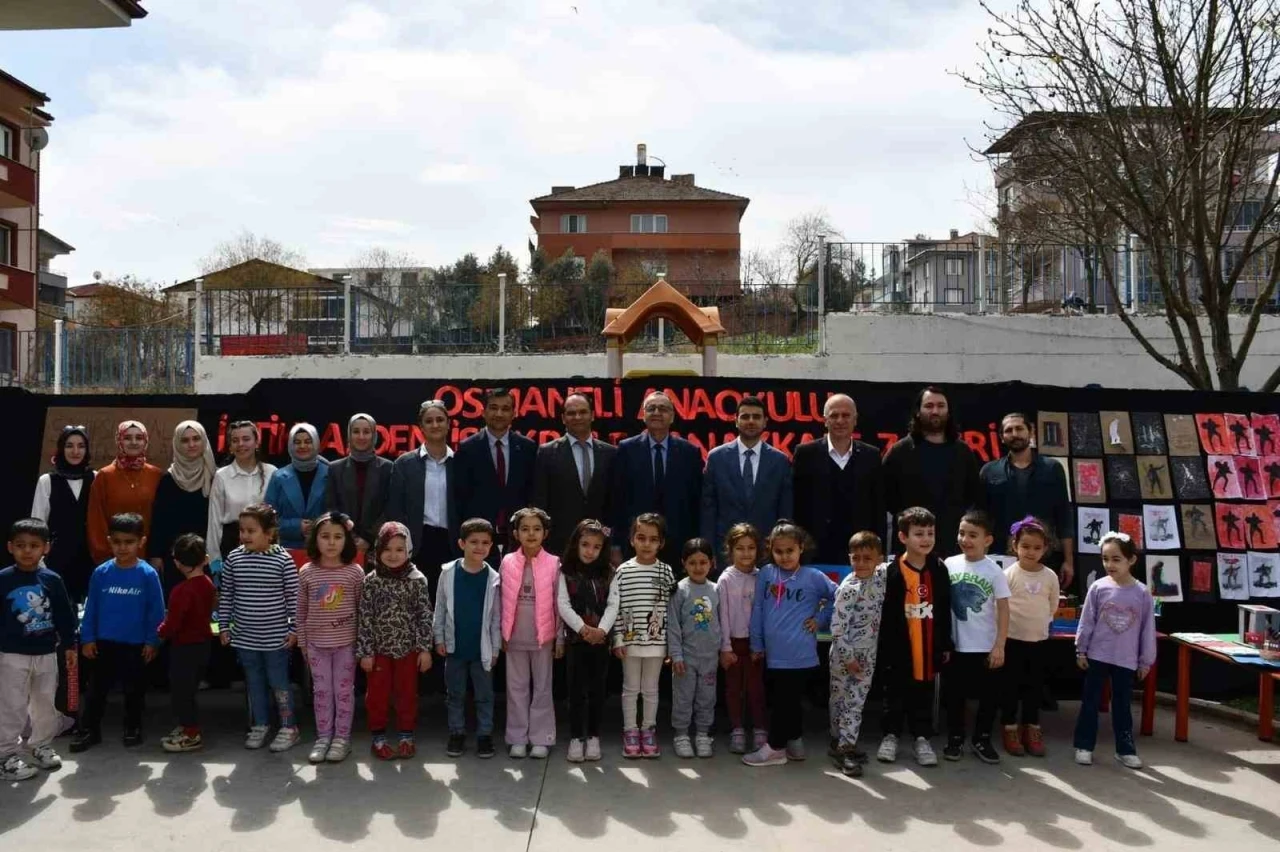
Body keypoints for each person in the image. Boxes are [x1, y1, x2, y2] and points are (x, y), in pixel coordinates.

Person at [742, 521, 837, 767]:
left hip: (800, 652)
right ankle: (795, 742)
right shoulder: (766, 574)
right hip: (773, 653)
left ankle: (775, 748)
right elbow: (759, 609)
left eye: (790, 551)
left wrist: (820, 619)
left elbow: (838, 595)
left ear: (801, 548)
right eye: (778, 551)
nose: (784, 557)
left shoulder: (813, 577)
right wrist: (756, 644)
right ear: (770, 550)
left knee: (785, 702)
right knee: (786, 700)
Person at [71, 512, 165, 753]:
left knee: (134, 691)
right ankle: (89, 730)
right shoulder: (101, 573)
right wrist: (88, 638)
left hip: (135, 645)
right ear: (109, 541)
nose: (123, 548)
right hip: (103, 643)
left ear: (141, 542)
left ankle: (133, 727)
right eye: (117, 542)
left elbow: (156, 612)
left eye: (129, 542)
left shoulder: (148, 574)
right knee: (96, 691)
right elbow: (91, 608)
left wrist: (152, 641)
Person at [217, 503, 299, 754]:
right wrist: (223, 626)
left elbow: (294, 597)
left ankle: (289, 727)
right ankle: (260, 724)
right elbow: (227, 595)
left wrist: (294, 629)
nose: (245, 535)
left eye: (251, 531)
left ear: (269, 533)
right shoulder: (234, 558)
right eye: (242, 530)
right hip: (245, 638)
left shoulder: (283, 559)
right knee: (254, 683)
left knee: (279, 683)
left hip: (276, 639)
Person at [876, 506, 954, 767]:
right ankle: (891, 735)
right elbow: (885, 613)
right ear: (902, 537)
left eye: (930, 533)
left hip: (928, 646)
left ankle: (922, 738)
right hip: (898, 647)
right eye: (919, 533)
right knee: (894, 693)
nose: (926, 539)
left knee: (923, 694)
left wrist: (945, 643)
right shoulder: (891, 570)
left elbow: (944, 609)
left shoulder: (939, 569)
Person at [0, 519, 76, 781]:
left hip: (46, 653)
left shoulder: (52, 579)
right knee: (11, 706)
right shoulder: (3, 579)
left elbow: (65, 615)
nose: (27, 551)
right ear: (10, 547)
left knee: (44, 703)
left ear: (46, 548)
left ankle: (40, 745)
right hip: (11, 655)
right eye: (20, 545)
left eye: (34, 545)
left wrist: (69, 645)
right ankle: (6, 756)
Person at [1073, 531, 1156, 770]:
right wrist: (1081, 650)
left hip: (1126, 659)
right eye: (1105, 559)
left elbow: (1147, 629)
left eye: (1116, 559)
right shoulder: (1098, 587)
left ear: (1131, 560)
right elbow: (1087, 621)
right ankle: (1084, 746)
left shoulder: (1142, 593)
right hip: (1097, 656)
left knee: (1122, 705)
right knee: (1090, 702)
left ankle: (1125, 750)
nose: (1110, 564)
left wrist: (1145, 661)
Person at [357, 522, 434, 761]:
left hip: (408, 650)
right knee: (377, 695)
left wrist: (424, 649)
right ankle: (378, 737)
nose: (393, 555)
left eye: (399, 549)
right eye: (387, 549)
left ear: (408, 550)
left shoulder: (416, 579)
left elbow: (424, 616)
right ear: (378, 549)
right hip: (378, 651)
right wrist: (366, 652)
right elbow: (365, 617)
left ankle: (406, 736)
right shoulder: (371, 580)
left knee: (407, 694)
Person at [942, 510, 1010, 764]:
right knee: (954, 697)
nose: (965, 539)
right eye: (962, 533)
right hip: (955, 646)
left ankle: (982, 738)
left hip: (985, 646)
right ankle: (955, 738)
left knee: (989, 697)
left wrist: (999, 646)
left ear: (987, 540)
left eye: (973, 535)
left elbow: (1004, 610)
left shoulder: (994, 571)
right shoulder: (949, 563)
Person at [883, 387, 984, 557]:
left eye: (941, 406)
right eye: (929, 406)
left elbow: (973, 497)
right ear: (918, 412)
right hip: (910, 549)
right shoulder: (899, 452)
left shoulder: (963, 452)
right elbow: (887, 499)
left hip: (953, 548)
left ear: (948, 412)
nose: (935, 411)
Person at [297, 511, 364, 764]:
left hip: (346, 645)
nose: (332, 542)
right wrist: (303, 643)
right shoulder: (307, 572)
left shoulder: (355, 572)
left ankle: (341, 739)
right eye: (325, 536)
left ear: (346, 540)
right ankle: (323, 737)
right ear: (316, 539)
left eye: (338, 536)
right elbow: (300, 611)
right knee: (322, 692)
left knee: (343, 691)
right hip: (316, 646)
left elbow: (362, 611)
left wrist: (361, 645)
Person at [980, 413, 1075, 589]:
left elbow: (1064, 516)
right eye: (1009, 430)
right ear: (1001, 437)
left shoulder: (1052, 469)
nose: (1014, 434)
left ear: (1031, 432)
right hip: (1001, 557)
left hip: (1042, 555)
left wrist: (1068, 561)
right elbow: (982, 520)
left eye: (1019, 428)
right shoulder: (989, 471)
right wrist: (981, 560)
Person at [435, 518, 502, 760]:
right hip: (455, 648)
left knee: (484, 695)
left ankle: (484, 735)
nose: (479, 547)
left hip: (482, 649)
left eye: (485, 542)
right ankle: (457, 732)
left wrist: (495, 648)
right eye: (474, 542)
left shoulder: (494, 578)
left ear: (491, 545)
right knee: (455, 694)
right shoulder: (448, 573)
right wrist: (439, 637)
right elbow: (440, 608)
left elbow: (496, 618)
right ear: (462, 543)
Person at [612, 392, 704, 569]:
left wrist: (696, 543)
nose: (656, 412)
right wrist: (615, 544)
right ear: (643, 415)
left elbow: (696, 502)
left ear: (672, 417)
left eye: (663, 409)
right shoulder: (626, 449)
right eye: (651, 408)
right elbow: (617, 499)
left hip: (679, 545)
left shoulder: (689, 452)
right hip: (637, 544)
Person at [701, 395, 793, 569]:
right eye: (745, 416)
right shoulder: (716, 458)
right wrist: (708, 551)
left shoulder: (780, 461)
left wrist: (782, 551)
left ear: (765, 422)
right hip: (726, 552)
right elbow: (708, 510)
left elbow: (785, 511)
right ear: (736, 421)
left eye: (756, 417)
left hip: (766, 553)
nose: (751, 421)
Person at [792, 394, 885, 564]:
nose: (840, 420)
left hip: (860, 552)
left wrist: (880, 551)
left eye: (846, 415)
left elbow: (878, 508)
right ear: (825, 420)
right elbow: (797, 504)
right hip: (815, 552)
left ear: (855, 419)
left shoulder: (871, 455)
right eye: (834, 415)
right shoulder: (805, 454)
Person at [612, 512, 676, 759]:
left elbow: (672, 610)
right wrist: (618, 638)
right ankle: (630, 730)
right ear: (632, 540)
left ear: (661, 543)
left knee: (650, 689)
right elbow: (616, 608)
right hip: (630, 642)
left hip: (657, 643)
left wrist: (671, 644)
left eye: (653, 539)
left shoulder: (666, 572)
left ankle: (648, 730)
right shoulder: (623, 571)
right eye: (641, 538)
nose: (647, 544)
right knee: (630, 688)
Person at [500, 507, 562, 760]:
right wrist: (501, 633)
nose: (531, 534)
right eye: (525, 529)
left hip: (542, 638)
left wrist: (559, 636)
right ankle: (517, 737)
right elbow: (500, 600)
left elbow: (559, 603)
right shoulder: (507, 561)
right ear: (516, 533)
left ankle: (541, 737)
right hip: (514, 638)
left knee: (543, 689)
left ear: (545, 533)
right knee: (516, 689)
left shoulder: (554, 563)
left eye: (537, 529)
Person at [556, 519, 618, 764]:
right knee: (575, 691)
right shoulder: (566, 572)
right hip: (576, 641)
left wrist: (601, 630)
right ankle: (575, 738)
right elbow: (563, 604)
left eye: (596, 546)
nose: (590, 551)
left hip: (600, 642)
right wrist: (583, 629)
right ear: (576, 544)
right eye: (585, 545)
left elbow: (613, 604)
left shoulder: (609, 573)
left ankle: (593, 736)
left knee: (597, 691)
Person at [828, 531, 887, 778]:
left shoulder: (881, 577)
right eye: (856, 558)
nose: (861, 563)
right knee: (840, 700)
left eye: (867, 558)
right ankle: (840, 743)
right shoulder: (848, 588)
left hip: (868, 655)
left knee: (855, 702)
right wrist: (849, 658)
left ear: (879, 559)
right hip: (845, 656)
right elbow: (837, 628)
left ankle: (846, 744)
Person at [1001, 516, 1060, 758]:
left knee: (1034, 688)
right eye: (1025, 546)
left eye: (1037, 547)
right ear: (1015, 545)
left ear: (1045, 549)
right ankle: (1009, 728)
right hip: (1012, 640)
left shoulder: (1050, 576)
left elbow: (1053, 605)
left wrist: (1040, 623)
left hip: (1038, 642)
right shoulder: (1008, 574)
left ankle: (1031, 728)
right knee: (1010, 687)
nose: (1030, 552)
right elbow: (1000, 607)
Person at [454, 389, 536, 561]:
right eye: (493, 407)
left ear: (514, 413)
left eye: (505, 409)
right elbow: (460, 498)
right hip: (479, 540)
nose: (499, 413)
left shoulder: (528, 448)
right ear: (483, 412)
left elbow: (532, 494)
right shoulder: (467, 449)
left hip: (519, 538)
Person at [387, 400, 457, 600]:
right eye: (429, 421)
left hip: (453, 544)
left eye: (440, 420)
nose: (435, 425)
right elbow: (395, 509)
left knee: (448, 604)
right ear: (421, 426)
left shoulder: (460, 463)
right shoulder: (404, 463)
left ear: (448, 424)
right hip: (417, 544)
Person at [532, 393, 617, 557]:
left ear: (592, 415)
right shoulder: (547, 452)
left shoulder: (610, 453)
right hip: (559, 544)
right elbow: (540, 501)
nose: (577, 417)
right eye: (571, 413)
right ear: (563, 418)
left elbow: (615, 501)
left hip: (600, 544)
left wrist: (613, 540)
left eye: (583, 412)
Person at [157, 533, 216, 754]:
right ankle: (186, 727)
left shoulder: (180, 591)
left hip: (184, 649)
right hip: (203, 645)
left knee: (182, 693)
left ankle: (191, 734)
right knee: (189, 691)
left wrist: (158, 631)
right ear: (205, 559)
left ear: (177, 562)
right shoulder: (208, 584)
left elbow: (172, 625)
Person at [149, 421, 218, 593]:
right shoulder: (168, 479)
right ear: (177, 444)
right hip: (175, 559)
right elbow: (159, 520)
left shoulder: (215, 477)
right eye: (185, 440)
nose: (191, 444)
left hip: (206, 556)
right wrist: (156, 555)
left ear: (204, 441)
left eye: (196, 439)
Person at [668, 538, 721, 759]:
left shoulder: (717, 589)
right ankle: (681, 735)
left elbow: (723, 622)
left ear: (712, 563)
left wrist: (722, 650)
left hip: (710, 658)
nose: (698, 567)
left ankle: (702, 734)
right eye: (692, 562)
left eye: (703, 562)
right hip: (686, 659)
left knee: (706, 698)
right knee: (683, 697)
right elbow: (673, 625)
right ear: (684, 563)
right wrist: (676, 655)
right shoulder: (680, 590)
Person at [31, 425, 95, 603]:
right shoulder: (47, 481)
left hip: (89, 559)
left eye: (81, 446)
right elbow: (37, 523)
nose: (75, 451)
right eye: (69, 445)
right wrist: (40, 560)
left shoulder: (95, 478)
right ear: (61, 448)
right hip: (56, 560)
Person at [717, 523, 767, 755]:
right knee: (734, 688)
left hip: (755, 644)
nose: (746, 553)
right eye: (740, 548)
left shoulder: (762, 577)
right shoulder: (726, 579)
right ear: (730, 550)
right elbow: (723, 616)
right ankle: (737, 729)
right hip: (734, 643)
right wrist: (725, 648)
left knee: (756, 688)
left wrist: (761, 644)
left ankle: (759, 728)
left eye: (751, 548)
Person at [86, 421, 165, 565]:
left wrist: (157, 554)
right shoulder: (105, 476)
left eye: (139, 438)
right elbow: (96, 518)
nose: (133, 442)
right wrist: (104, 556)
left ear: (146, 441)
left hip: (147, 558)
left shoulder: (156, 475)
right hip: (113, 558)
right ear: (119, 440)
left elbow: (161, 519)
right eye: (127, 438)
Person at [207, 421, 277, 569]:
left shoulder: (272, 472)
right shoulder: (222, 476)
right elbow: (214, 521)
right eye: (235, 440)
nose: (240, 444)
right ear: (230, 446)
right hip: (232, 545)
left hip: (266, 547)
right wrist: (214, 560)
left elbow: (278, 518)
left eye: (246, 439)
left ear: (256, 442)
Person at [325, 413, 393, 553]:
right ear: (349, 435)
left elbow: (390, 509)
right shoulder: (335, 468)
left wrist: (369, 538)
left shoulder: (387, 468)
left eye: (366, 432)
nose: (361, 437)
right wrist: (351, 537)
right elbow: (331, 507)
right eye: (356, 431)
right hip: (342, 544)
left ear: (374, 435)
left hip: (378, 546)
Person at [265, 423, 330, 552]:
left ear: (316, 443)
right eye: (297, 442)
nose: (302, 446)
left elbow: (340, 512)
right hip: (286, 551)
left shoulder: (331, 474)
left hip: (325, 549)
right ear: (290, 445)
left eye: (308, 441)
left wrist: (318, 526)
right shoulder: (278, 477)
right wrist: (296, 526)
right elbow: (267, 519)